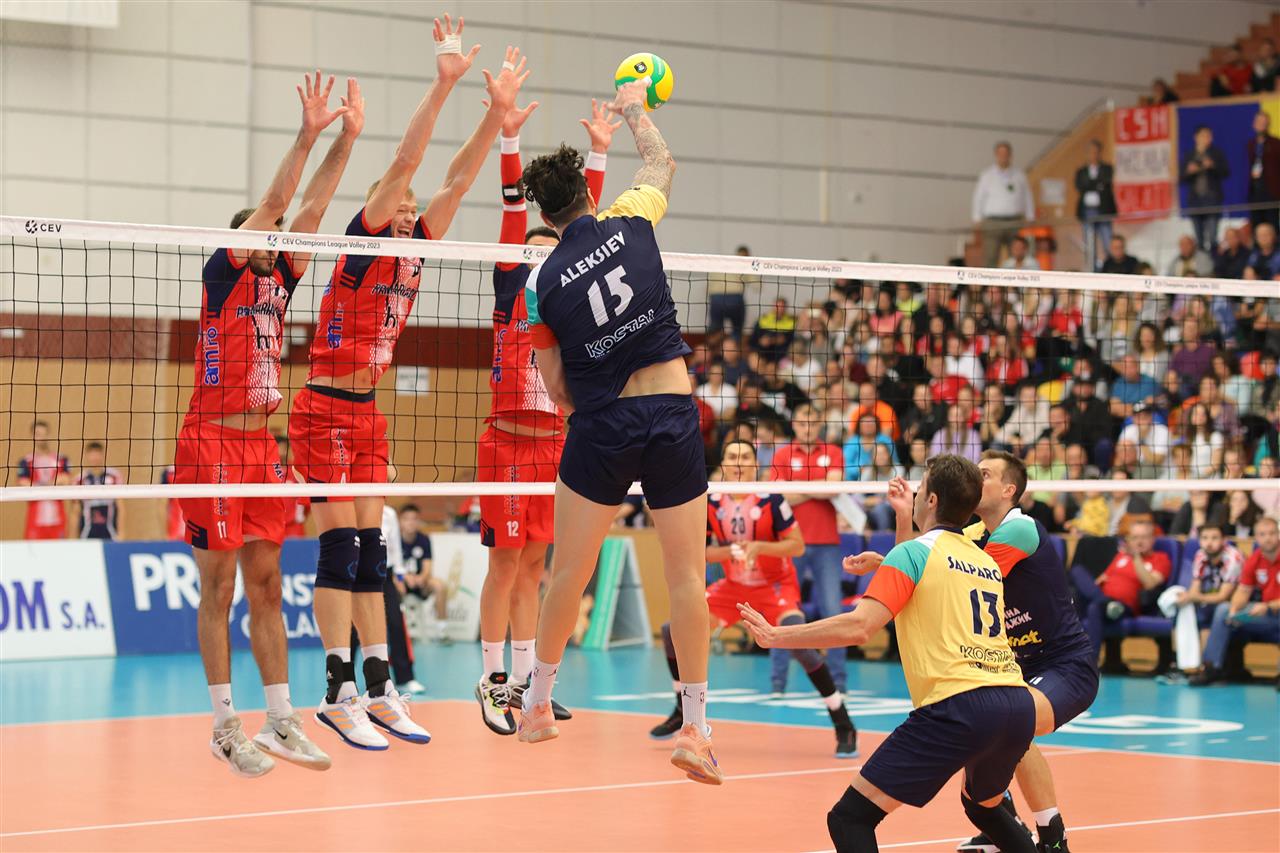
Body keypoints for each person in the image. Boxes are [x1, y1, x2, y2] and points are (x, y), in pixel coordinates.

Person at [290, 22, 523, 751]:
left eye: (407, 204)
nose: (404, 207)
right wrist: (444, 83)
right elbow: (409, 159)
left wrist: (497, 118)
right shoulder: (362, 247)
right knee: (338, 550)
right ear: (374, 209)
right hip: (322, 409)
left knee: (372, 553)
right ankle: (336, 692)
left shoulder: (416, 246)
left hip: (368, 415)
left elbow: (455, 179)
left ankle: (379, 685)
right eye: (394, 202)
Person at [515, 78, 723, 783]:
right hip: (671, 413)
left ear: (545, 213)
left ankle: (537, 705)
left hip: (602, 423)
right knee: (686, 577)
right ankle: (695, 727)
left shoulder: (541, 282)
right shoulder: (632, 218)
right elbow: (662, 162)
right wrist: (634, 106)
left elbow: (553, 386)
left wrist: (590, 401)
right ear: (588, 193)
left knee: (567, 574)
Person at [173, 71, 359, 777]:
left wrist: (346, 139)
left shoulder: (280, 280)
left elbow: (311, 206)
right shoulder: (222, 276)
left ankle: (281, 719)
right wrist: (306, 134)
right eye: (263, 230)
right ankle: (225, 725)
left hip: (261, 447)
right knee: (218, 588)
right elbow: (282, 200)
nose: (274, 235)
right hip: (211, 441)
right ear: (241, 237)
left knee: (269, 584)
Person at [741, 455, 1041, 853]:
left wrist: (776, 635)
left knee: (849, 817)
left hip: (958, 705)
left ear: (931, 500)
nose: (914, 495)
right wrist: (900, 525)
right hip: (1016, 705)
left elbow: (860, 627)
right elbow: (925, 576)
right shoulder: (982, 558)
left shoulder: (914, 554)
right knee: (984, 809)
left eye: (920, 489)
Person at [473, 94, 615, 734]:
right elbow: (515, 209)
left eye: (546, 249)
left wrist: (600, 154)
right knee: (505, 565)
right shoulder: (512, 284)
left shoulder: (561, 288)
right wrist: (508, 139)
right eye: (529, 249)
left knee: (536, 567)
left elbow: (587, 227)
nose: (538, 255)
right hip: (505, 443)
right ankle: (491, 681)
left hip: (553, 445)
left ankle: (530, 683)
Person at [649, 439, 858, 757]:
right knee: (672, 630)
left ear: (754, 463)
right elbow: (700, 552)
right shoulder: (711, 500)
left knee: (800, 644)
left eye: (745, 456)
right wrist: (728, 552)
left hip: (775, 587)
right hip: (734, 589)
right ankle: (682, 709)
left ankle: (842, 721)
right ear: (723, 463)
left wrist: (760, 547)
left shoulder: (771, 497)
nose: (739, 462)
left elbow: (797, 546)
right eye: (732, 456)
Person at [770, 403, 849, 693]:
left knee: (833, 612)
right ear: (794, 424)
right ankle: (778, 682)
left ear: (819, 425)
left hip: (826, 543)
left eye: (812, 423)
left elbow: (833, 489)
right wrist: (818, 487)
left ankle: (838, 681)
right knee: (783, 610)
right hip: (791, 543)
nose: (807, 428)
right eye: (802, 422)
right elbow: (779, 497)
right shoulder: (782, 454)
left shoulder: (834, 452)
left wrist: (797, 487)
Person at [1192, 516, 1280, 686]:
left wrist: (1268, 605)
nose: (1267, 538)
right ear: (1256, 538)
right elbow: (1243, 591)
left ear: (1278, 535)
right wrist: (1234, 611)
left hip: (1273, 610)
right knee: (1223, 610)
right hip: (1267, 615)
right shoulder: (1254, 560)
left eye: (1271, 533)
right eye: (1262, 534)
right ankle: (1211, 668)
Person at [1071, 519, 1170, 663]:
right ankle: (1105, 602)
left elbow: (1150, 584)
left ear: (1152, 539)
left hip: (1124, 607)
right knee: (1077, 571)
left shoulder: (1160, 559)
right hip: (1104, 599)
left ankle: (1090, 663)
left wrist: (1136, 558)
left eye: (1144, 537)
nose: (1139, 542)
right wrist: (1093, 587)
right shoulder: (1121, 557)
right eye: (1135, 538)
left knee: (1095, 607)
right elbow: (1102, 579)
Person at [1156, 522, 1242, 684]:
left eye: (1214, 538)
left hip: (1234, 604)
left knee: (1206, 613)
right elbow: (1195, 587)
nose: (1209, 543)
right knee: (1181, 609)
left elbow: (1223, 596)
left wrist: (1192, 597)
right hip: (1208, 598)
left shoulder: (1233, 558)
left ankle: (1205, 667)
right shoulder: (1200, 555)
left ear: (1224, 540)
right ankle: (1180, 665)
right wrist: (1185, 597)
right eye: (1205, 538)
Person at [973, 141, 1036, 268]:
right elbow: (978, 197)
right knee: (991, 256)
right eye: (1001, 154)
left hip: (1014, 221)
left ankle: (1015, 281)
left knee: (1016, 256)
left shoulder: (1019, 175)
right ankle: (989, 281)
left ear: (1010, 155)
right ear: (996, 155)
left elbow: (1027, 196)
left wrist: (1030, 216)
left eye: (1006, 154)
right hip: (992, 222)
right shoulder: (987, 175)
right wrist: (976, 218)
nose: (1003, 156)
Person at [15, 420, 70, 539]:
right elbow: (22, 482)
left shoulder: (61, 459)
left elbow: (66, 479)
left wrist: (37, 485)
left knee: (60, 549)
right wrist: (51, 484)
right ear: (32, 436)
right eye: (38, 434)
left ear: (49, 435)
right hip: (35, 520)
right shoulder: (26, 461)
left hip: (57, 519)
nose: (41, 438)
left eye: (44, 434)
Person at [1179, 126, 1229, 254]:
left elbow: (1226, 172)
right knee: (1199, 239)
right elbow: (1181, 177)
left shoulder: (1216, 153)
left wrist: (1212, 165)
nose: (1207, 138)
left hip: (1212, 200)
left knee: (1212, 238)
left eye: (1209, 136)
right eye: (1203, 135)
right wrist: (1189, 171)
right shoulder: (1189, 155)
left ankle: (1215, 262)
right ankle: (1202, 263)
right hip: (1195, 201)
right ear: (1196, 137)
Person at [1074, 140, 1116, 271]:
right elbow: (1080, 186)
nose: (1093, 155)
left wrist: (1092, 184)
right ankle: (1092, 269)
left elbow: (1105, 183)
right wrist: (1097, 185)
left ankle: (1111, 269)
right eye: (1090, 152)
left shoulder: (1106, 169)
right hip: (1087, 212)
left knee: (1108, 242)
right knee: (1089, 245)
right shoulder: (1081, 171)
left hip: (1103, 211)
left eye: (1096, 152)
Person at [73, 441, 124, 540]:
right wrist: (74, 538)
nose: (95, 457)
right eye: (92, 454)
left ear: (102, 455)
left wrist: (122, 533)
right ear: (87, 456)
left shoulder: (114, 476)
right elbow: (75, 512)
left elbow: (121, 507)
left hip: (111, 533)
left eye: (97, 453)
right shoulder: (80, 479)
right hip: (86, 535)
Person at [706, 245, 757, 341]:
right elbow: (757, 286)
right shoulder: (744, 264)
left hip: (716, 299)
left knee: (715, 329)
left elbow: (708, 285)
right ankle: (734, 344)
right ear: (746, 255)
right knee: (737, 330)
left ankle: (710, 347)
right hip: (735, 299)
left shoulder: (721, 263)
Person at [1246, 111, 1280, 231]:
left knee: (1272, 226)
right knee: (1256, 226)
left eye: (1264, 122)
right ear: (1254, 124)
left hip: (1272, 192)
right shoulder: (1251, 144)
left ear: (1268, 124)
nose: (1261, 125)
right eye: (1259, 122)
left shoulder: (1275, 143)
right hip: (1255, 192)